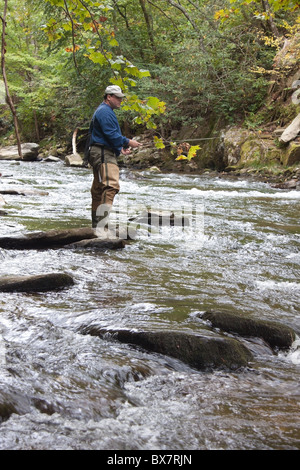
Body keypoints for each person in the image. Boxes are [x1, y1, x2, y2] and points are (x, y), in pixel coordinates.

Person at [88, 85, 141, 231]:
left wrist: (119, 148)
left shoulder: (104, 110)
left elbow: (106, 135)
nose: (120, 100)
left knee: (99, 188)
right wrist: (127, 142)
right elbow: (110, 133)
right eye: (117, 97)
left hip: (100, 151)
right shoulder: (105, 111)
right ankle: (102, 224)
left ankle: (96, 224)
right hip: (103, 153)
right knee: (111, 186)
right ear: (108, 97)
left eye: (121, 98)